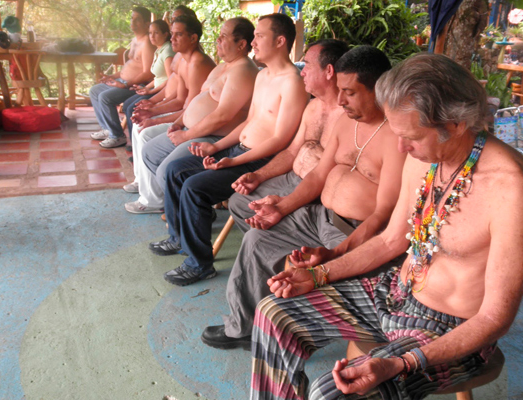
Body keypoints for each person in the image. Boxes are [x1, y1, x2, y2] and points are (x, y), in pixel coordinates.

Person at [250, 53, 523, 400]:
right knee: (274, 313)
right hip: (393, 293)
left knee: (332, 393)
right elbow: (390, 241)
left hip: (450, 330)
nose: (401, 147)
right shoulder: (424, 158)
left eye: (411, 138)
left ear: (455, 124)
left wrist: (402, 363)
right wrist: (319, 274)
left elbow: (496, 317)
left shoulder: (511, 186)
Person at [201, 45, 406, 350]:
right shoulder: (345, 122)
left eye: (349, 92)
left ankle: (292, 327)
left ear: (378, 89)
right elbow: (318, 176)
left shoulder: (397, 138)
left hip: (353, 231)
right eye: (339, 90)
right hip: (319, 216)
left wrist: (338, 255)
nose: (340, 100)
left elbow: (382, 215)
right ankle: (241, 328)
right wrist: (281, 207)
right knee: (258, 238)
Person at [152, 13, 309, 286]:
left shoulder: (292, 82)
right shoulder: (263, 76)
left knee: (195, 187)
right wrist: (217, 146)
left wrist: (234, 162)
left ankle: (199, 264)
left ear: (280, 41)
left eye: (259, 36)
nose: (254, 42)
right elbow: (250, 122)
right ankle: (179, 238)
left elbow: (281, 139)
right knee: (176, 170)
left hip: (259, 160)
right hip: (238, 148)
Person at [124, 17, 259, 214]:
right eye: (218, 36)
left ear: (241, 44)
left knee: (167, 171)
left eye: (223, 37)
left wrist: (186, 135)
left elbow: (223, 115)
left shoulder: (243, 71)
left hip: (214, 136)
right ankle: (180, 203)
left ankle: (189, 212)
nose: (218, 41)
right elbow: (195, 100)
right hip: (192, 129)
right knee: (149, 152)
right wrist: (178, 123)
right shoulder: (222, 66)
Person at [227, 39, 349, 232]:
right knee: (239, 202)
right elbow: (292, 152)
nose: (302, 72)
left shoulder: (348, 116)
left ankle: (274, 247)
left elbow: (323, 176)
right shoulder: (313, 107)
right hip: (290, 178)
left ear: (329, 71)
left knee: (266, 229)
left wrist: (283, 204)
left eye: (307, 65)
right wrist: (258, 176)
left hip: (317, 193)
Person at [122, 15, 216, 202]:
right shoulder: (182, 59)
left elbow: (191, 108)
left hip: (198, 125)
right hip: (186, 115)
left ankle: (153, 198)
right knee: (141, 126)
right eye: (172, 34)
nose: (172, 39)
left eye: (178, 34)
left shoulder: (198, 63)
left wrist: (155, 118)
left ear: (193, 38)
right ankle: (143, 183)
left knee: (145, 131)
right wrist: (152, 110)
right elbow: (180, 99)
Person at [89, 7, 156, 148]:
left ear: (146, 24)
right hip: (122, 81)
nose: (133, 21)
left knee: (105, 97)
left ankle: (118, 136)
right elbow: (130, 66)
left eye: (137, 19)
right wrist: (112, 76)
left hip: (136, 85)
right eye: (132, 18)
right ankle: (108, 129)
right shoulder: (134, 40)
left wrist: (125, 84)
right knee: (95, 91)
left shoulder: (147, 43)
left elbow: (148, 73)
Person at [121, 19, 175, 140]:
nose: (152, 36)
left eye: (156, 33)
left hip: (162, 92)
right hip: (156, 89)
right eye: (150, 33)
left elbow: (171, 78)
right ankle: (133, 141)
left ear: (165, 34)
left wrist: (151, 92)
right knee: (127, 105)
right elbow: (158, 77)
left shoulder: (167, 51)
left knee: (131, 108)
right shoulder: (159, 49)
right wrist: (146, 88)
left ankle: (136, 141)